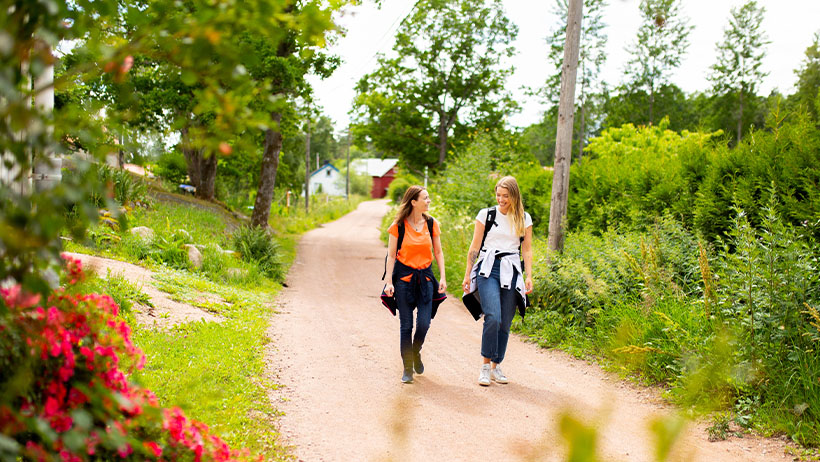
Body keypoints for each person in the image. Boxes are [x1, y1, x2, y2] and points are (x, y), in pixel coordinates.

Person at [461, 176, 533, 386]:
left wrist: (528, 275)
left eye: (505, 196)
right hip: (488, 268)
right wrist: (467, 274)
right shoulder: (486, 215)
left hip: (511, 268)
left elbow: (527, 249)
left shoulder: (524, 218)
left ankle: (496, 366)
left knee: (505, 321)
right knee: (492, 316)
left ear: (514, 196)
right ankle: (485, 367)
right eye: (498, 195)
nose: (501, 199)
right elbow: (474, 247)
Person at [384, 186, 447, 384]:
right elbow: (391, 255)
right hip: (404, 280)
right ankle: (407, 368)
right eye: (425, 198)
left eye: (428, 198)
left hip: (426, 279)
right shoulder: (398, 226)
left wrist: (443, 277)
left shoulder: (431, 223)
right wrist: (388, 282)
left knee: (424, 323)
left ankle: (416, 351)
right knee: (406, 326)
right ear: (413, 201)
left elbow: (438, 252)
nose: (428, 201)